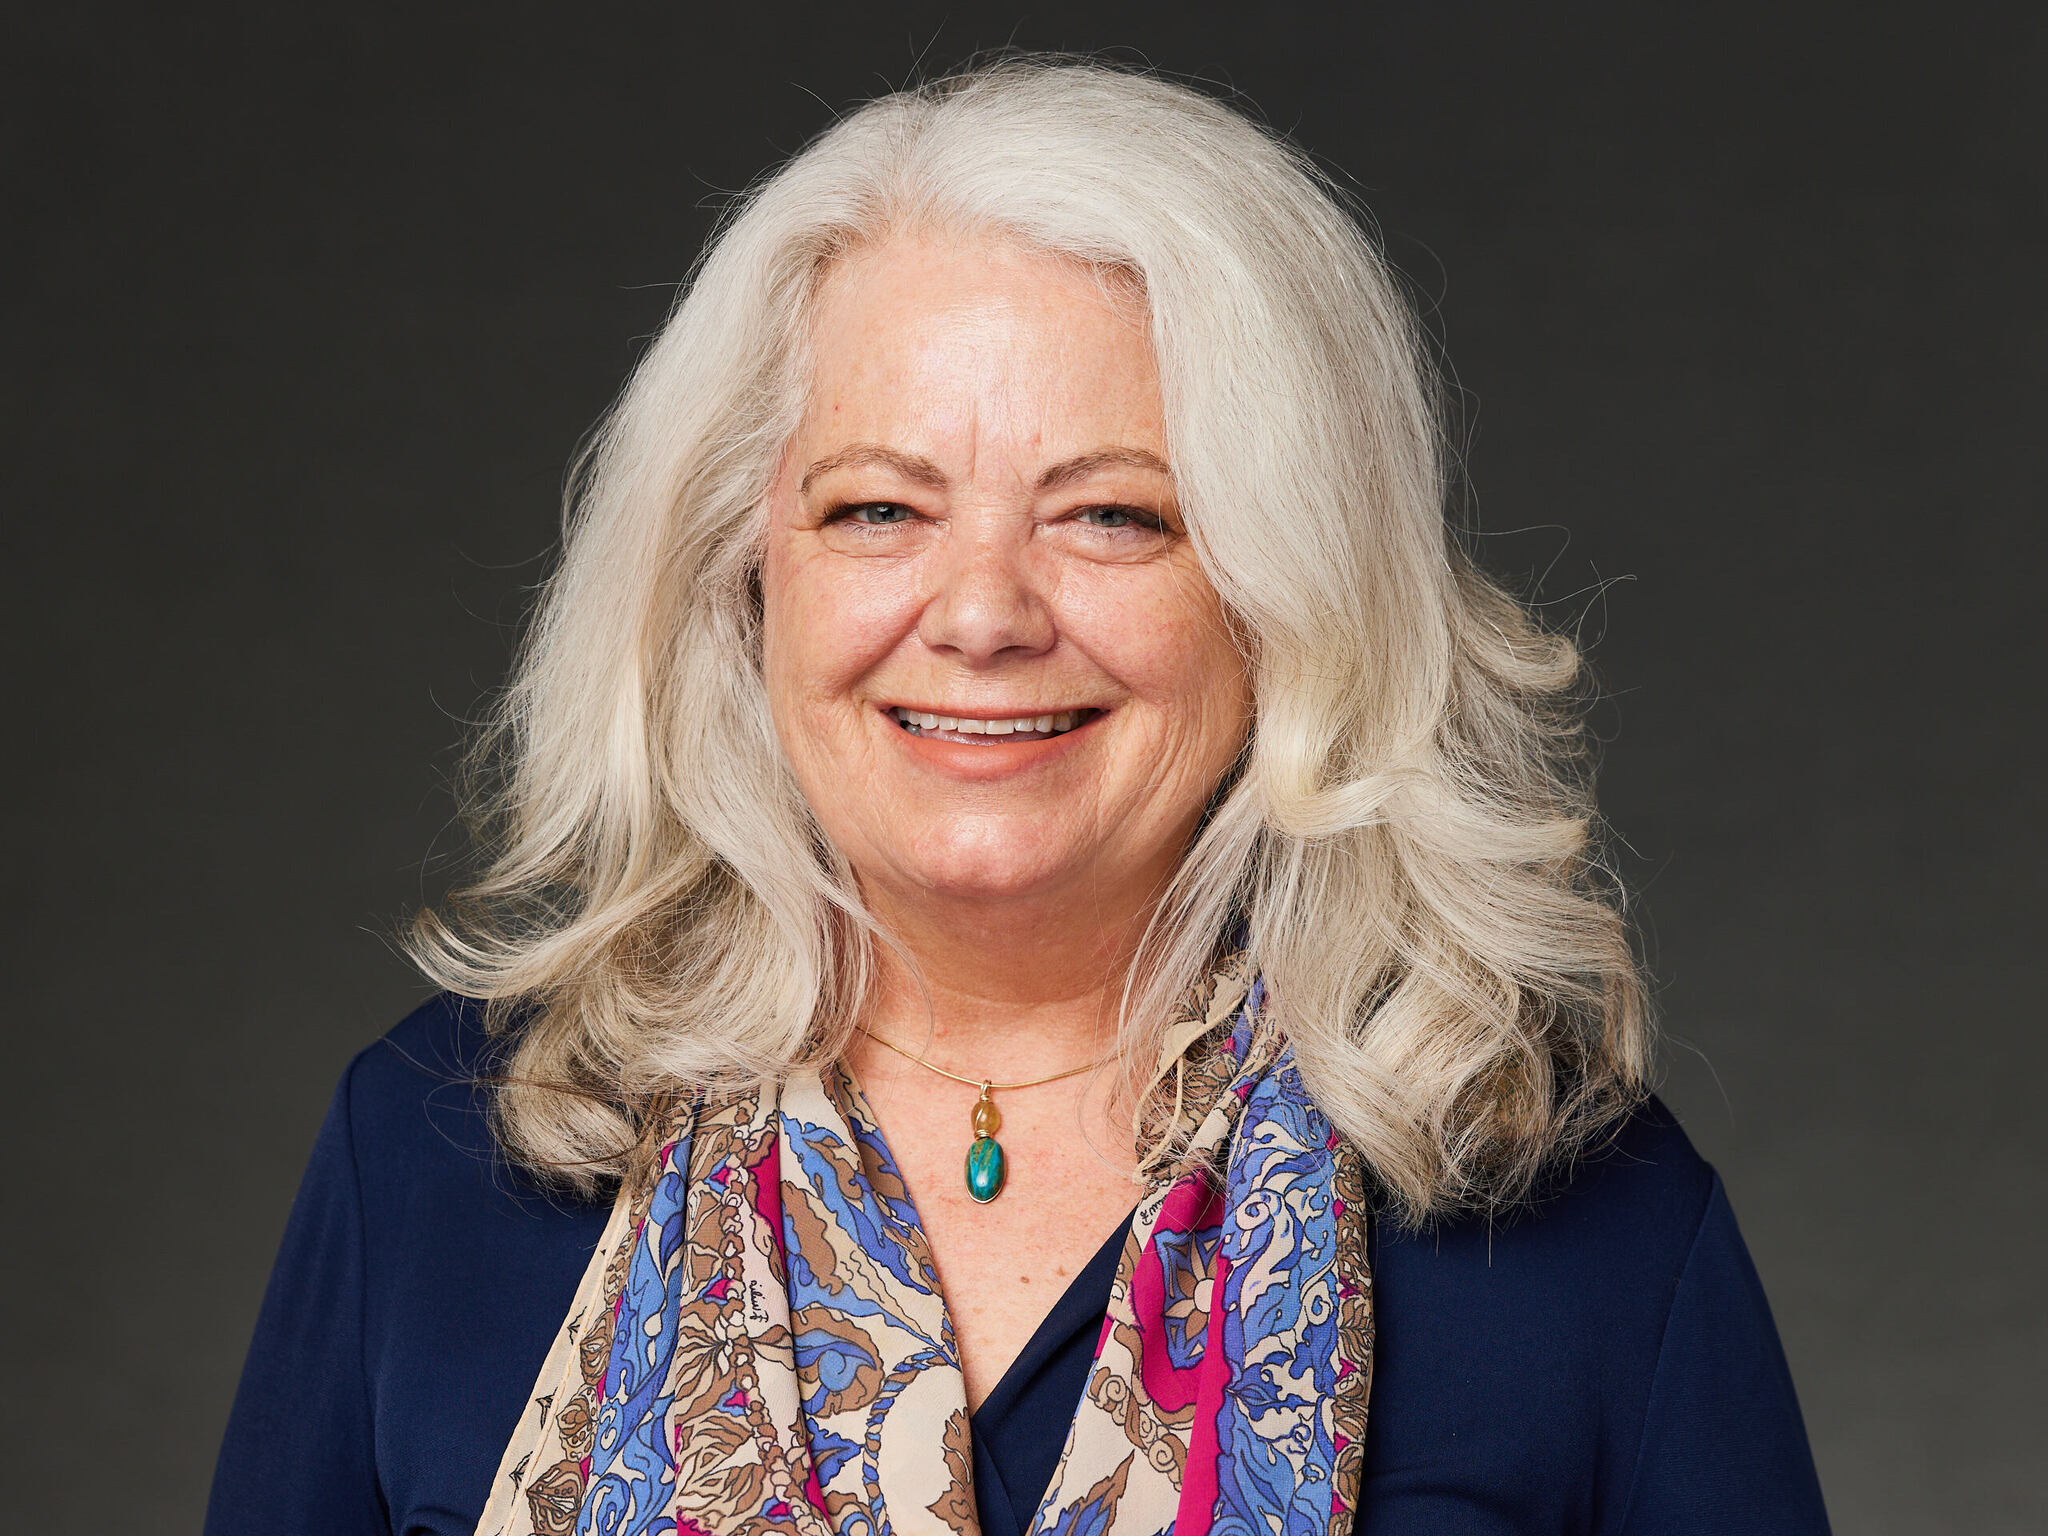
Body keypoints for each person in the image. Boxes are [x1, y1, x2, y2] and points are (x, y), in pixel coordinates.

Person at [207, 58, 1830, 1536]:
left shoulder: (1581, 1223)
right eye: (878, 510)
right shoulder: (436, 1154)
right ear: (743, 575)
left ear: (1291, 593)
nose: (983, 614)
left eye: (1114, 515)